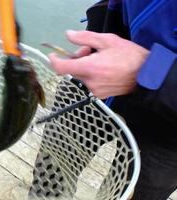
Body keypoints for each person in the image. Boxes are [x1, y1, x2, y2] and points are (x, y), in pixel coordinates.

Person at [47, 0, 177, 199]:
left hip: (169, 129)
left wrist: (153, 72)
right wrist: (100, 23)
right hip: (98, 64)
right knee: (50, 173)